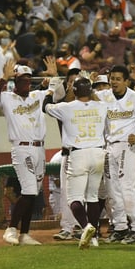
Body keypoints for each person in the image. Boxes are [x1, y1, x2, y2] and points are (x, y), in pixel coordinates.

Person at [0, 60, 51, 246]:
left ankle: (24, 234)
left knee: (34, 192)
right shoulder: (7, 97)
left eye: (28, 80)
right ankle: (11, 229)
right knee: (30, 190)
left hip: (40, 148)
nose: (26, 83)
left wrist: (53, 76)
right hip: (21, 147)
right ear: (15, 82)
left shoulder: (37, 95)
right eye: (22, 80)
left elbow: (58, 93)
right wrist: (3, 78)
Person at [43, 77, 107, 249]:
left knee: (74, 199)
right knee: (92, 196)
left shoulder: (66, 107)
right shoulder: (101, 106)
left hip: (78, 154)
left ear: (75, 91)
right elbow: (96, 98)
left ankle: (87, 227)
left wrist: (50, 89)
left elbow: (46, 106)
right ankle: (94, 239)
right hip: (98, 152)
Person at [94, 65, 135, 244]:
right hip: (109, 146)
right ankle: (120, 227)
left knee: (126, 187)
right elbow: (86, 97)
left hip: (128, 145)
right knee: (112, 189)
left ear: (126, 81)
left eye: (118, 78)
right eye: (112, 78)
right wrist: (90, 82)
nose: (114, 82)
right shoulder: (103, 96)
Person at [49, 150, 80, 241]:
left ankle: (78, 228)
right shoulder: (58, 158)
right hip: (57, 195)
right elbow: (57, 182)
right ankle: (68, 229)